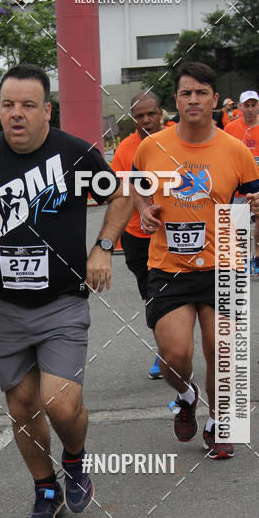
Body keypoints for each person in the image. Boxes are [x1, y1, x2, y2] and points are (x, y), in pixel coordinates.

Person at [0, 63, 131, 518]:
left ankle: (74, 458)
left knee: (61, 404)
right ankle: (45, 489)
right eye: (8, 105)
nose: (17, 113)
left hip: (62, 302)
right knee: (22, 407)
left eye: (28, 105)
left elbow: (121, 196)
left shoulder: (75, 154)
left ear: (47, 110)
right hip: (6, 307)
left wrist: (103, 247)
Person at [132, 62, 259, 460]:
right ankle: (186, 394)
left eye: (201, 93)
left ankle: (219, 422)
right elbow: (136, 187)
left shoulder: (234, 149)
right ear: (176, 101)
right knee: (175, 355)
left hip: (223, 263)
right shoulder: (152, 147)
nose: (193, 99)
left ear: (214, 99)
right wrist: (143, 209)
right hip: (168, 267)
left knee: (222, 353)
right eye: (186, 93)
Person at [111, 90, 164, 377]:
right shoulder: (124, 150)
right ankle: (165, 351)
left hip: (175, 233)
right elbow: (118, 190)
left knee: (180, 295)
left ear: (161, 114)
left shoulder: (175, 140)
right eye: (139, 116)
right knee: (153, 296)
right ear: (133, 119)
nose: (146, 120)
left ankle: (175, 347)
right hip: (138, 237)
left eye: (151, 114)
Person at [224, 90, 259, 275]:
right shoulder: (230, 128)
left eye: (253, 105)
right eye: (246, 105)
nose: (250, 109)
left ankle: (257, 256)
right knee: (239, 225)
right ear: (240, 107)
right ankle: (244, 258)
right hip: (238, 185)